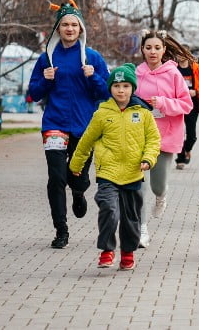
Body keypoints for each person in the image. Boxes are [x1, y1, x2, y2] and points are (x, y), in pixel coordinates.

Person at [28, 0, 110, 249]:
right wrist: (46, 80)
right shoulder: (47, 58)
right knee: (55, 177)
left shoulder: (92, 57)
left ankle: (78, 191)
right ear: (58, 28)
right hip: (55, 122)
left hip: (85, 125)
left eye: (74, 24)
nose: (70, 28)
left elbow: (106, 92)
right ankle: (61, 231)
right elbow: (34, 93)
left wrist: (92, 75)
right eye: (65, 24)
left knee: (77, 176)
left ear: (81, 29)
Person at [69, 63, 161, 270]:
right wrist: (76, 165)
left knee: (131, 218)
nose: (121, 90)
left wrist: (148, 158)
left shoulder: (143, 113)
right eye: (117, 86)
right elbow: (86, 141)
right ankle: (107, 250)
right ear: (110, 88)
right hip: (108, 173)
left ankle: (127, 253)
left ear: (133, 88)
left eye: (126, 86)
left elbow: (153, 140)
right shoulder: (102, 114)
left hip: (133, 173)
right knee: (109, 210)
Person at [134, 30, 194, 247]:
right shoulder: (136, 73)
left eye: (157, 48)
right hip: (139, 136)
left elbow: (187, 105)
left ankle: (161, 196)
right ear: (142, 49)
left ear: (164, 50)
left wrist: (162, 103)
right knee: (137, 184)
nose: (152, 52)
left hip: (165, 136)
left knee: (157, 185)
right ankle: (141, 228)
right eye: (148, 47)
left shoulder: (173, 74)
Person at [175, 54, 199, 168]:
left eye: (183, 53)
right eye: (178, 53)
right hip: (177, 105)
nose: (180, 56)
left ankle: (187, 150)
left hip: (192, 105)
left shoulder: (195, 68)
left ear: (188, 55)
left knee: (192, 135)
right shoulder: (173, 68)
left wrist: (196, 91)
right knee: (179, 133)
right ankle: (180, 159)